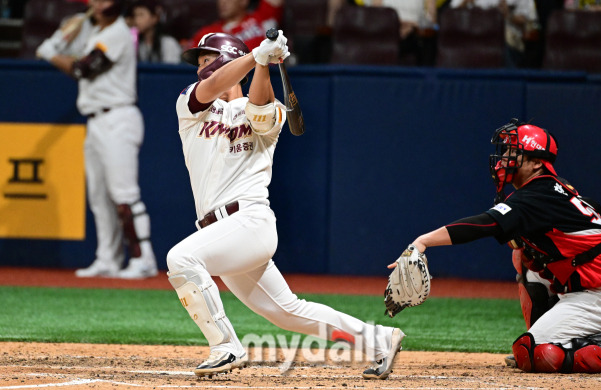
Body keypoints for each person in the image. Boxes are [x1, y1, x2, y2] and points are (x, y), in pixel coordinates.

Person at [167, 31, 404, 380]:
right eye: (199, 62)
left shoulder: (271, 109)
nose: (201, 67)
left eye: (207, 59)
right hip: (218, 232)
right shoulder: (190, 104)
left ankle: (225, 347)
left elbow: (259, 111)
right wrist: (258, 55)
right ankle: (380, 339)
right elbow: (214, 84)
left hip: (249, 221)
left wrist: (262, 61)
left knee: (181, 259)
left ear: (230, 59)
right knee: (287, 311)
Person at [397, 118, 601, 373]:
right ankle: (548, 336)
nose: (503, 160)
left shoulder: (538, 194)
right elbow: (593, 209)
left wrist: (422, 241)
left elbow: (484, 224)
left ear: (537, 162)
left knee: (535, 353)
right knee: (522, 255)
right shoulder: (552, 187)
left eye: (514, 154)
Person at [36, 0, 158, 279]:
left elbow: (83, 68)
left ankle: (144, 259)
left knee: (124, 195)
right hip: (96, 120)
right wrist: (60, 38)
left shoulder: (118, 32)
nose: (103, 3)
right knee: (99, 198)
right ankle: (108, 259)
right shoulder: (93, 33)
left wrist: (49, 53)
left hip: (118, 118)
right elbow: (70, 50)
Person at [449, 0, 539, 68]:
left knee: (499, 45)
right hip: (472, 37)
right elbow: (450, 15)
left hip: (507, 39)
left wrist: (508, 15)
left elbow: (528, 22)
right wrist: (466, 2)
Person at [189, 0, 283, 51]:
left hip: (261, 77)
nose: (223, 2)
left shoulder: (262, 17)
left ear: (244, 1)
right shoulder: (207, 33)